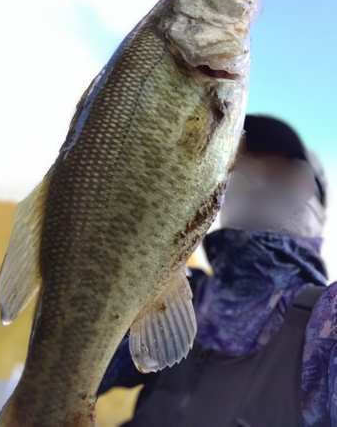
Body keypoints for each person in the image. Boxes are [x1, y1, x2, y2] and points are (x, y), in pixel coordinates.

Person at [98, 115, 336, 427]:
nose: (258, 180)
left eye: (280, 171)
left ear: (318, 198)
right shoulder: (167, 293)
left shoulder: (328, 321)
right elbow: (69, 370)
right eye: (240, 171)